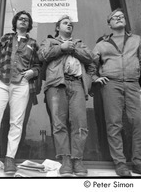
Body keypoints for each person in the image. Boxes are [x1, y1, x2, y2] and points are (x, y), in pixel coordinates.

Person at [92, 8, 141, 176]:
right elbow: (91, 65)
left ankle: (139, 163)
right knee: (114, 124)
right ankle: (120, 164)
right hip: (111, 85)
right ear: (109, 24)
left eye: (121, 16)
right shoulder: (101, 44)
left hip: (134, 84)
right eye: (115, 17)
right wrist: (94, 77)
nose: (119, 18)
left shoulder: (136, 40)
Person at [0, 10, 40, 175]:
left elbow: (38, 65)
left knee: (16, 122)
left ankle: (10, 158)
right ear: (15, 22)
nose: (23, 21)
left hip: (22, 84)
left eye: (26, 20)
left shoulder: (33, 42)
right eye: (20, 19)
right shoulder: (5, 38)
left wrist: (33, 72)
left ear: (29, 24)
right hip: (2, 81)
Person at [38, 15, 94, 177]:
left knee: (80, 123)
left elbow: (90, 58)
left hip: (77, 83)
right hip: (56, 84)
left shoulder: (79, 44)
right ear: (57, 28)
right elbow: (42, 56)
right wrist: (62, 48)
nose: (69, 25)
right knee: (59, 124)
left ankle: (77, 159)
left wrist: (72, 49)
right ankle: (66, 160)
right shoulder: (49, 41)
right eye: (65, 23)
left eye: (71, 24)